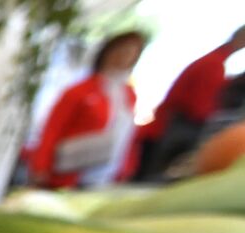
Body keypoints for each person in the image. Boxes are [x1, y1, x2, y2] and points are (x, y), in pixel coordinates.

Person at [29, 32, 146, 189]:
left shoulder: (129, 94)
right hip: (71, 171)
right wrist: (40, 167)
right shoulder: (80, 90)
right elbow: (52, 129)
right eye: (122, 50)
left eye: (132, 53)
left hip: (106, 177)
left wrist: (128, 169)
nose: (125, 57)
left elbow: (128, 137)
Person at [137, 26, 245, 181]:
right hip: (179, 127)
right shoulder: (213, 64)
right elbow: (198, 108)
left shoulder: (214, 62)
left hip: (176, 126)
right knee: (160, 176)